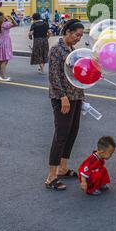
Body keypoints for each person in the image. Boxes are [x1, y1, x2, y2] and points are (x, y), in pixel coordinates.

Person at [45, 19, 85, 191]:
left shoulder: (72, 50)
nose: (78, 38)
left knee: (72, 132)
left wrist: (83, 96)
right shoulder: (56, 49)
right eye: (77, 35)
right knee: (61, 134)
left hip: (76, 96)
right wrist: (62, 97)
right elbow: (54, 76)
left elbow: (75, 75)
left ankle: (63, 167)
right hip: (63, 98)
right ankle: (51, 176)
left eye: (81, 36)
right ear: (68, 32)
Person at [0, 11, 17, 81]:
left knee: (1, 60)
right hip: (5, 43)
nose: (4, 17)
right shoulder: (5, 24)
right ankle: (3, 76)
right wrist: (12, 18)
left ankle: (1, 76)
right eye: (3, 16)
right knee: (5, 60)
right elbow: (16, 24)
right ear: (1, 17)